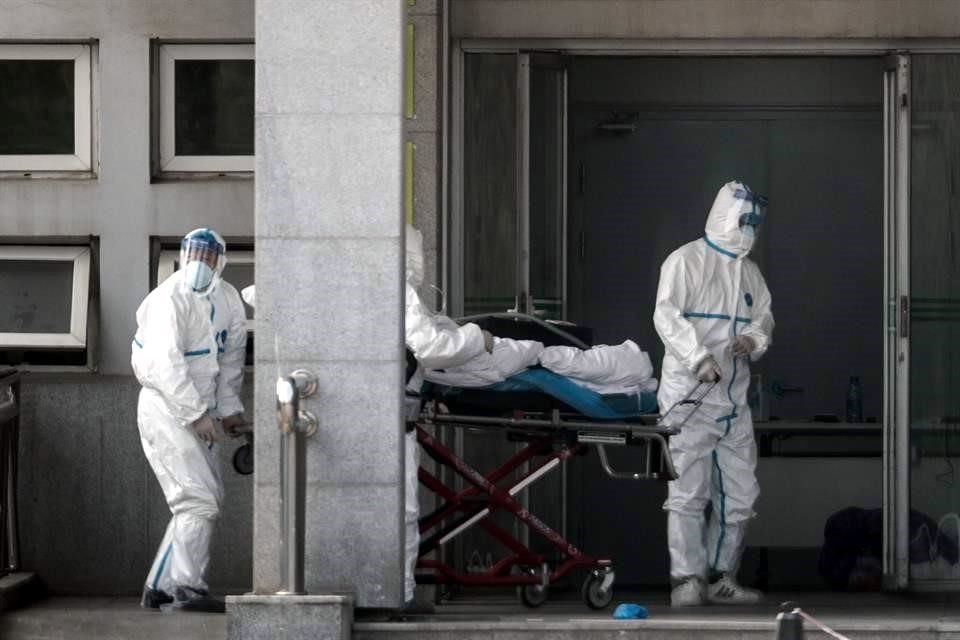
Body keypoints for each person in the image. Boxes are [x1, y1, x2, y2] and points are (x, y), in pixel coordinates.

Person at [653, 181, 774, 607]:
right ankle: (687, 579)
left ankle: (722, 576)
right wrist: (698, 357)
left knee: (740, 495)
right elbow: (666, 316)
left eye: (756, 223)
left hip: (733, 401)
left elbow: (763, 319)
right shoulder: (686, 261)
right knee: (688, 492)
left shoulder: (750, 273)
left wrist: (752, 342)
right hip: (690, 398)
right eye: (745, 220)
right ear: (725, 216)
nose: (751, 229)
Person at [132, 228, 248, 613]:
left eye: (208, 255)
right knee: (198, 501)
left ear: (221, 260)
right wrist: (196, 414)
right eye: (193, 253)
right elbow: (166, 366)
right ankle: (186, 587)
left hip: (202, 412)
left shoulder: (229, 300)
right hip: (166, 408)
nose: (200, 262)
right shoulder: (168, 298)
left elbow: (229, 365)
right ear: (182, 255)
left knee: (199, 500)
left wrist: (230, 412)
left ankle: (160, 587)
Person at [403, 224, 493, 607]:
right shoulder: (399, 292)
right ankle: (398, 595)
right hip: (393, 420)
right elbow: (432, 348)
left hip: (390, 411)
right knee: (402, 510)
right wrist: (477, 338)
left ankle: (394, 593)